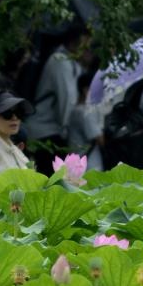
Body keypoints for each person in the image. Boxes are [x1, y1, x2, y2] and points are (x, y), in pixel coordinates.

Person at [25, 25, 88, 174]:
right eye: (85, 43)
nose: (87, 49)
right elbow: (66, 100)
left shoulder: (71, 63)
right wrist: (68, 131)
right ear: (74, 42)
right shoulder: (60, 60)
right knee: (51, 178)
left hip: (51, 130)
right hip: (45, 131)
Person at [68, 72, 104, 171]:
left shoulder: (76, 110)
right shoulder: (85, 112)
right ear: (86, 90)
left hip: (76, 164)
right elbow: (100, 139)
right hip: (89, 166)